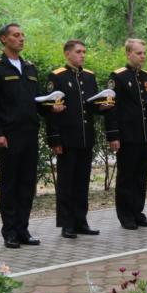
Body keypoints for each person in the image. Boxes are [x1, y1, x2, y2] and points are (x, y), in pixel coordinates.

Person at [0, 23, 64, 248]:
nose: (21, 39)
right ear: (3, 39)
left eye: (22, 35)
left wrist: (50, 107)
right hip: (9, 135)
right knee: (10, 184)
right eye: (16, 35)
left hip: (29, 134)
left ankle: (23, 230)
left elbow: (36, 101)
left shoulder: (29, 67)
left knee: (27, 183)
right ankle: (9, 232)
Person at [44, 40, 112, 238]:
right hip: (66, 138)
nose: (82, 55)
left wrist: (102, 107)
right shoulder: (57, 76)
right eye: (78, 52)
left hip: (85, 137)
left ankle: (81, 221)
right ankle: (67, 224)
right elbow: (51, 111)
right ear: (67, 54)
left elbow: (91, 106)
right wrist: (54, 139)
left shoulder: (89, 76)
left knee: (82, 182)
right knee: (67, 182)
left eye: (84, 52)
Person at [105, 39, 147, 230]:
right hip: (127, 135)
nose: (142, 56)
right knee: (126, 177)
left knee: (141, 177)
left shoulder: (146, 77)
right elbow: (111, 108)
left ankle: (137, 212)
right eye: (138, 53)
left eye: (144, 53)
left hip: (144, 135)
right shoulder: (117, 77)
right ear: (128, 54)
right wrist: (113, 135)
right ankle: (125, 215)